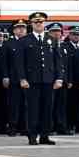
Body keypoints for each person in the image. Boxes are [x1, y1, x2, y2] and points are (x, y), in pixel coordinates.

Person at [16, 11, 60, 146]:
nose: (39, 24)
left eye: (41, 22)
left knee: (47, 109)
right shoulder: (25, 40)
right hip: (32, 81)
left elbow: (57, 61)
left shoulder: (51, 39)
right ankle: (32, 135)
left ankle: (45, 135)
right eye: (36, 22)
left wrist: (59, 78)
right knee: (33, 109)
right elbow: (20, 62)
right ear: (31, 24)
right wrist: (22, 78)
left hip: (48, 80)